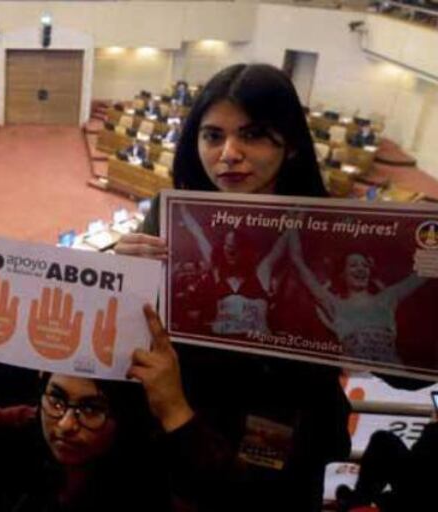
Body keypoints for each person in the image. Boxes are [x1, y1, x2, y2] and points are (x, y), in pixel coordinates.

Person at [115, 63, 350, 511]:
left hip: (283, 436)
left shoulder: (336, 232)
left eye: (253, 135)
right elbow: (139, 323)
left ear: (292, 145)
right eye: (212, 136)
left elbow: (395, 365)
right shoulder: (169, 213)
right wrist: (126, 275)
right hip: (181, 421)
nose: (229, 153)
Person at [0, 289, 235, 511]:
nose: (64, 424)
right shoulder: (29, 426)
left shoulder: (150, 471)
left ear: (125, 414)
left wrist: (174, 409)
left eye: (91, 409)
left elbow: (216, 493)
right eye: (57, 400)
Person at [288, 236, 428, 363]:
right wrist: (293, 221)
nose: (361, 269)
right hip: (357, 381)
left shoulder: (387, 298)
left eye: (365, 265)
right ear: (342, 274)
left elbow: (424, 271)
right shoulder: (335, 305)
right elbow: (297, 260)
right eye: (354, 265)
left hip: (391, 377)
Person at [176, 204, 291, 336]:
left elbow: (281, 246)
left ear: (245, 251)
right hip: (223, 344)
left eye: (236, 248)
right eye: (228, 246)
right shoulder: (218, 272)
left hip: (256, 347)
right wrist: (182, 206)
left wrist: (297, 216)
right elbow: (198, 234)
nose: (231, 251)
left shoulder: (260, 274)